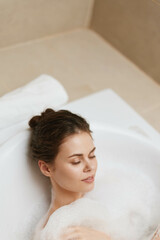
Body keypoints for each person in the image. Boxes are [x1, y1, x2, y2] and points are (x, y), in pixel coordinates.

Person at [29, 108, 111, 240]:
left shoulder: (104, 191)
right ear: (46, 168)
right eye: (76, 161)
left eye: (92, 155)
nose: (90, 167)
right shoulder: (59, 232)